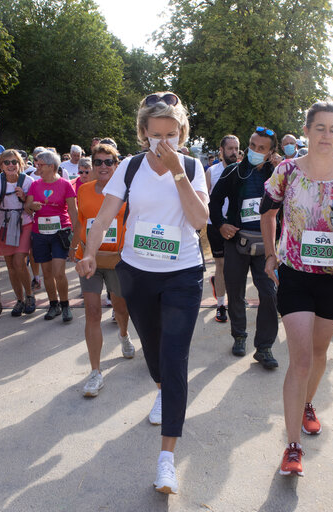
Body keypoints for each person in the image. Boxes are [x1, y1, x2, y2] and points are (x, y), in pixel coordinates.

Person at [76, 91, 209, 495]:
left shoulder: (191, 165)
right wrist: (90, 252)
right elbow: (102, 216)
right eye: (156, 135)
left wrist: (178, 174)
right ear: (142, 133)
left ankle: (167, 458)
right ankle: (162, 389)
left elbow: (200, 220)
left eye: (172, 134)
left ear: (182, 131)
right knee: (153, 354)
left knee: (174, 357)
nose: (164, 142)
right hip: (137, 273)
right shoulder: (130, 168)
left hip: (182, 274)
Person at [261, 101, 333, 477]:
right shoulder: (287, 171)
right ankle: (292, 445)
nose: (326, 135)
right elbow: (267, 212)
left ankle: (309, 404)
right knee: (299, 359)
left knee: (318, 351)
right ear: (308, 130)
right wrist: (269, 254)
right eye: (320, 128)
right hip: (295, 273)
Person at [210, 127, 280, 369]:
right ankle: (239, 336)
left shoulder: (277, 175)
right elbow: (215, 201)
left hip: (266, 245)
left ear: (271, 152)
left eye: (262, 148)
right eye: (252, 145)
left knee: (269, 294)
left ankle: (264, 347)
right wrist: (221, 225)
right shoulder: (233, 172)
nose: (255, 151)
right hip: (236, 242)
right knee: (236, 291)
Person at [73, 143, 134, 397]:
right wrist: (74, 247)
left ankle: (123, 334)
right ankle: (95, 372)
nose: (103, 167)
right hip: (90, 258)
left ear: (116, 164)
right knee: (92, 311)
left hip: (117, 260)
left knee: (121, 308)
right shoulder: (84, 190)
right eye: (97, 162)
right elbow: (81, 221)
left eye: (108, 162)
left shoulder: (126, 192)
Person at [25, 150, 78, 322]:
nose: (36, 167)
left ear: (51, 166)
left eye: (39, 164)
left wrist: (76, 236)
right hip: (40, 233)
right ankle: (53, 304)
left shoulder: (65, 184)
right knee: (46, 273)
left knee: (59, 272)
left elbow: (73, 210)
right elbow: (27, 208)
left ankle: (65, 305)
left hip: (60, 232)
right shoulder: (35, 184)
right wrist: (32, 206)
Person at [0, 150, 37, 316]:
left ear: (20, 164)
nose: (10, 165)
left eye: (14, 162)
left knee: (19, 261)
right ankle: (19, 300)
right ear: (1, 165)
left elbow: (32, 206)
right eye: (6, 162)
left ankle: (29, 295)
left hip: (24, 221)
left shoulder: (28, 181)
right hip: (4, 223)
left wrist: (25, 198)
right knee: (10, 265)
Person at [204, 135, 240, 323]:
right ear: (222, 150)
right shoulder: (212, 171)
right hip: (215, 225)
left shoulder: (243, 171)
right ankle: (220, 305)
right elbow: (206, 199)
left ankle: (232, 300)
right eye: (230, 149)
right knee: (221, 265)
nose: (234, 153)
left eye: (237, 149)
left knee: (234, 267)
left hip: (237, 225)